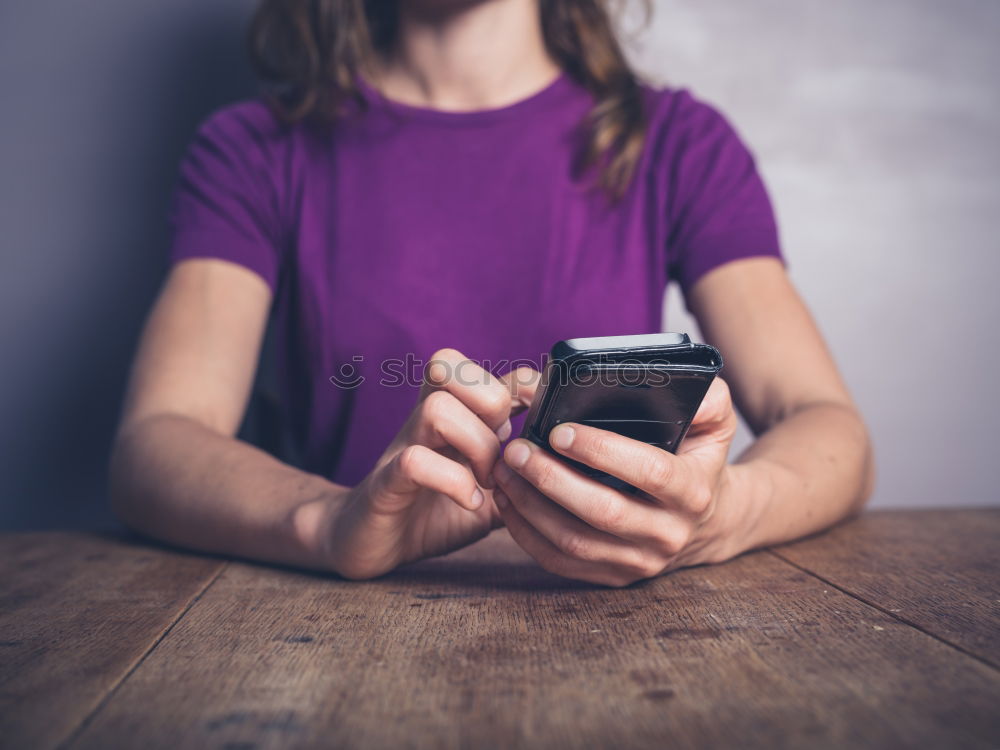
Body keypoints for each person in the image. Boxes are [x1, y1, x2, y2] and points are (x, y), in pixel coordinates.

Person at [110, 0, 874, 587]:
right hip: (332, 625)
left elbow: (830, 426)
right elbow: (158, 440)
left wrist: (721, 516)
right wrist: (329, 520)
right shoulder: (255, 150)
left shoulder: (680, 143)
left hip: (606, 622)